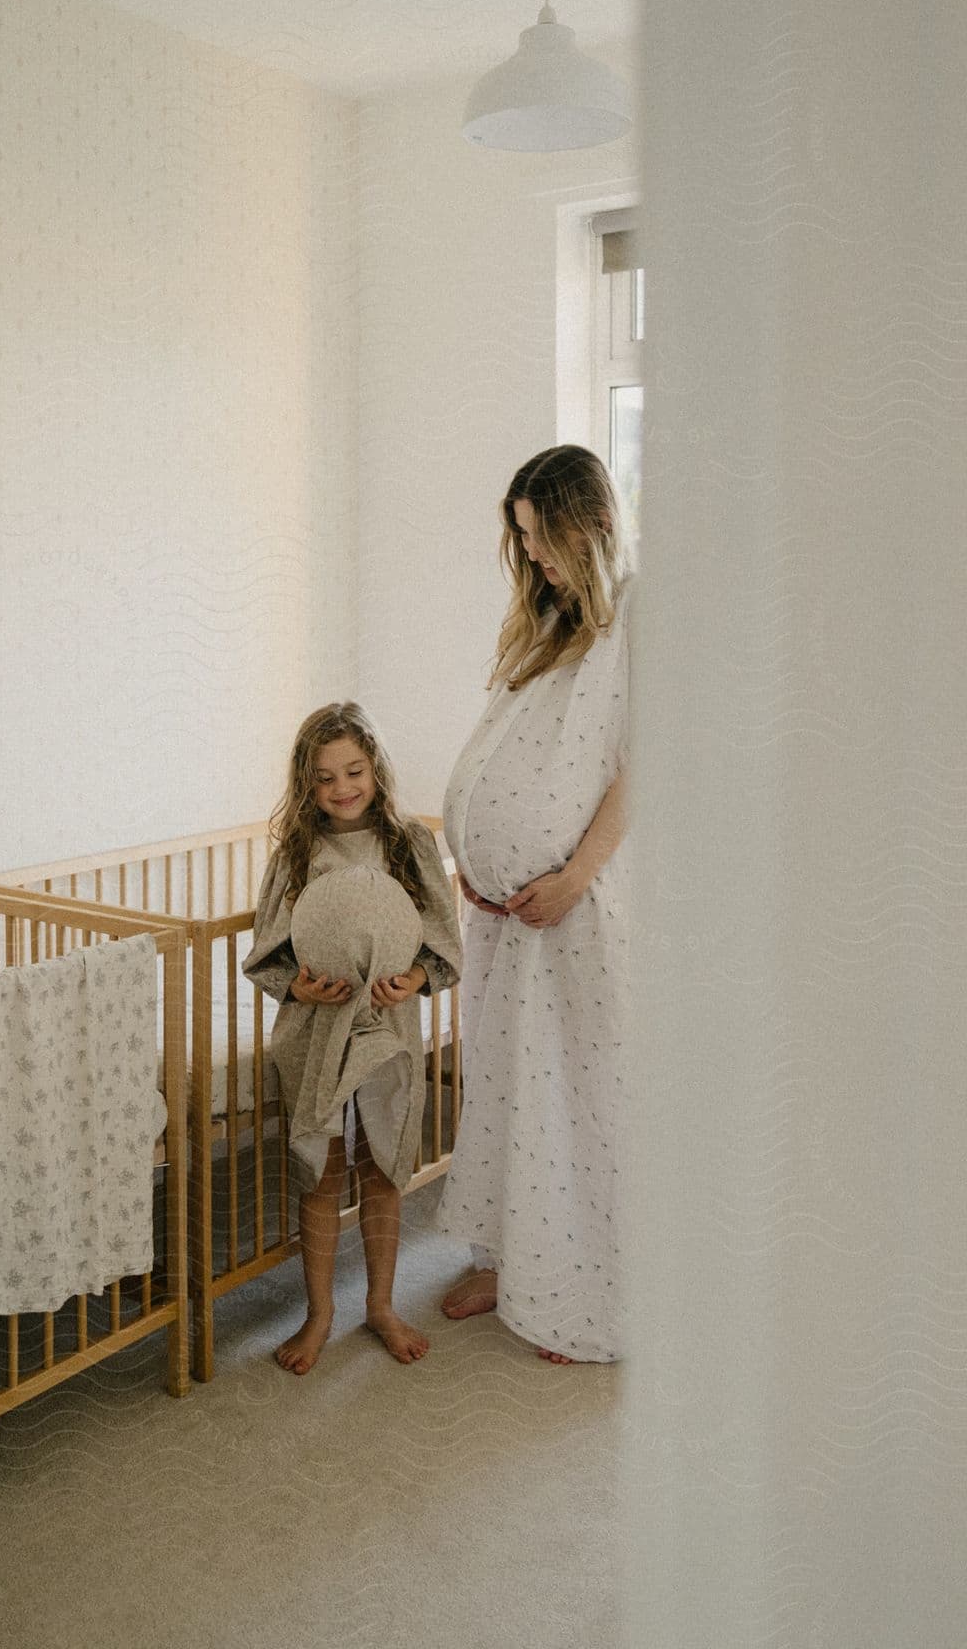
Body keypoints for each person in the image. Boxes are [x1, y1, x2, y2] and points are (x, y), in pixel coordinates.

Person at [437, 445, 632, 1364]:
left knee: (576, 1097)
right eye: (523, 541)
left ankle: (585, 1287)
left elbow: (646, 763)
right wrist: (475, 860)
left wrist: (577, 872)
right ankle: (511, 1260)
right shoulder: (547, 619)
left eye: (545, 540)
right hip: (505, 917)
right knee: (508, 1089)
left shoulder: (641, 613)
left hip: (574, 912)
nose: (537, 558)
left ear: (590, 524)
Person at [243, 702, 462, 1376]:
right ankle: (319, 1314)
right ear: (306, 785)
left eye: (354, 771)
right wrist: (299, 987)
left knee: (384, 1166)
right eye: (324, 778)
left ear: (376, 769)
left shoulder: (409, 844)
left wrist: (415, 976)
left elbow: (442, 940)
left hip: (385, 1027)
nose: (342, 788)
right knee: (323, 1171)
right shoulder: (298, 853)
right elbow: (268, 950)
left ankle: (381, 1304)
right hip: (316, 1030)